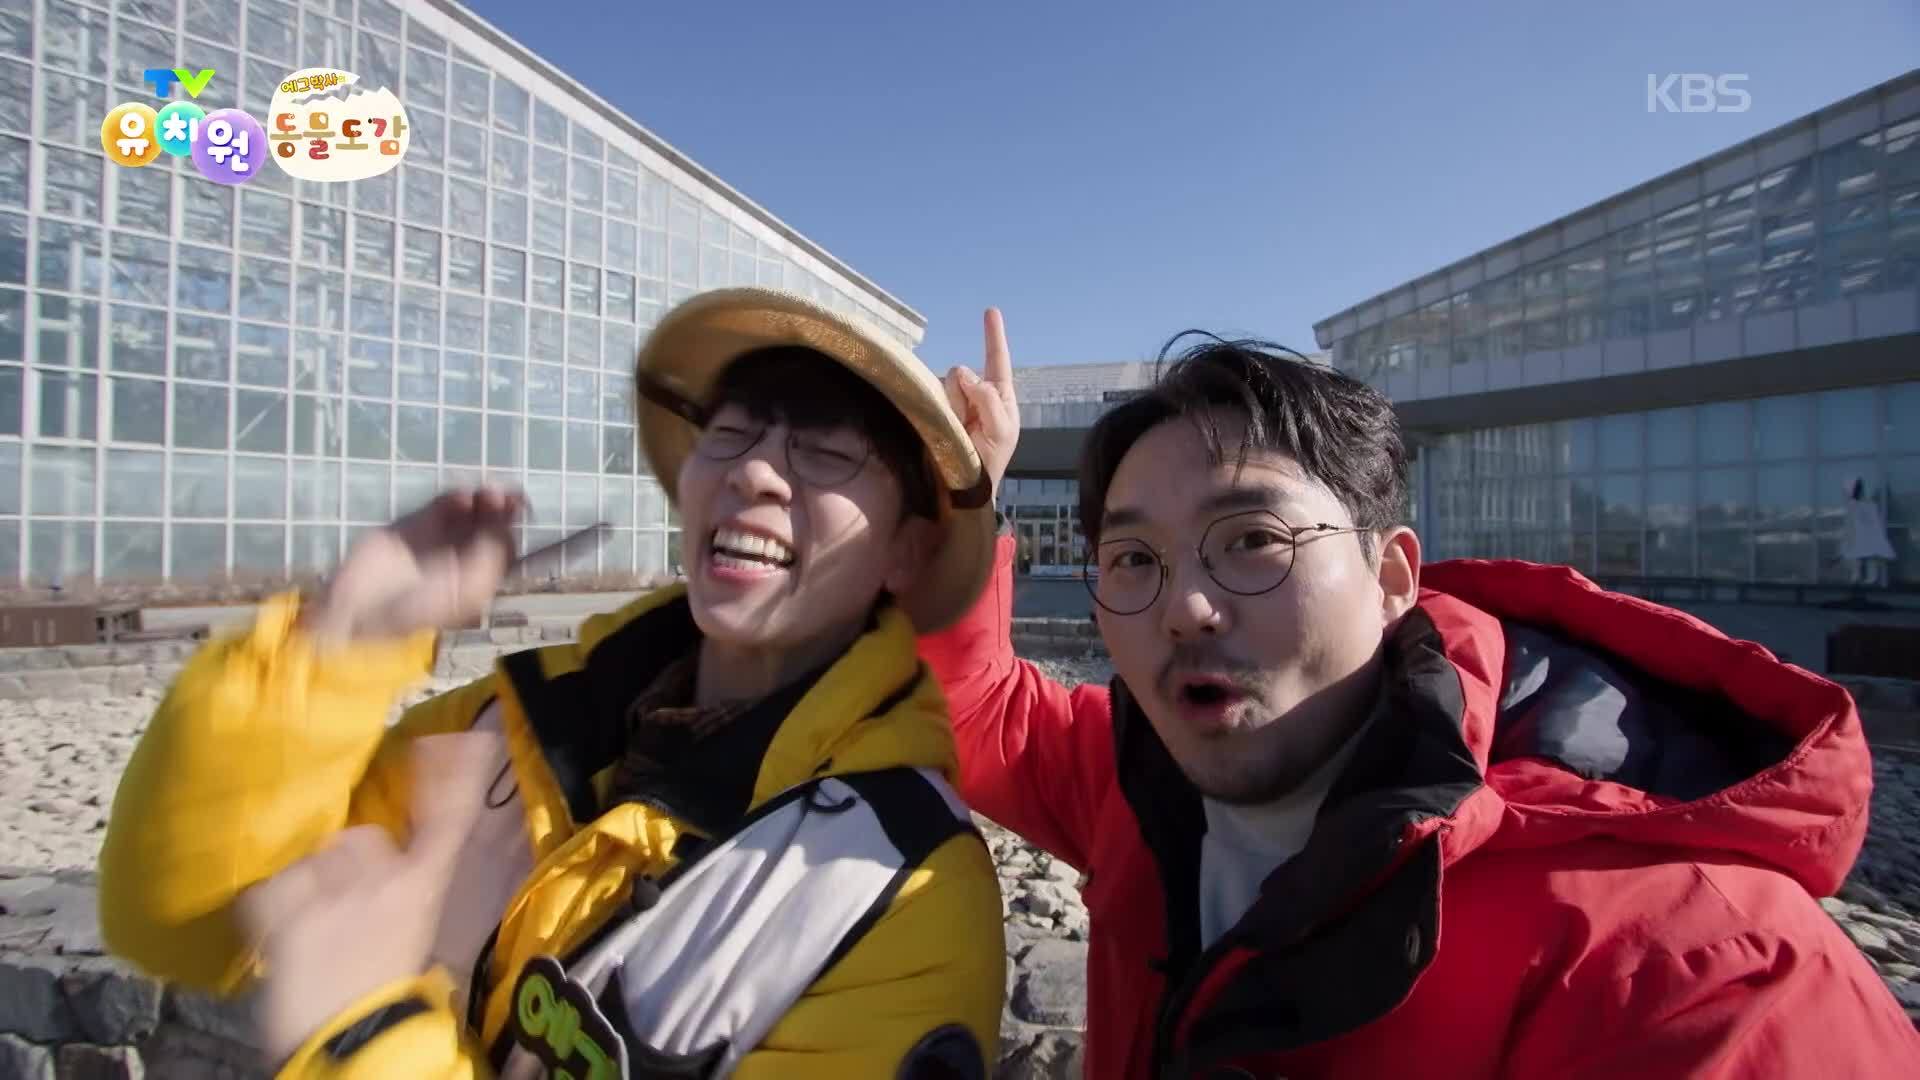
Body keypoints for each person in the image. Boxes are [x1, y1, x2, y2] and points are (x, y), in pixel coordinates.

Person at [921, 312, 1920, 1079]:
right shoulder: (1139, 780)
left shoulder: (1697, 967)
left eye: (1254, 540)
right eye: (1134, 558)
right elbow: (978, 712)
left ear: (1394, 575)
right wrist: (962, 505)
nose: (1185, 607)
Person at [97, 287, 1008, 1079]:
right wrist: (334, 645)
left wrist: (365, 1032)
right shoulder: (510, 726)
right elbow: (183, 924)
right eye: (731, 432)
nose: (754, 472)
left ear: (907, 549)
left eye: (827, 452)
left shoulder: (898, 889)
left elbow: (325, 991)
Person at [1842, 474, 1897, 588]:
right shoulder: (1862, 505)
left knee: (1864, 555)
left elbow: (1867, 520)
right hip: (1861, 535)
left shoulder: (1862, 505)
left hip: (1863, 535)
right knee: (1862, 555)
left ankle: (1864, 577)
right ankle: (1863, 577)